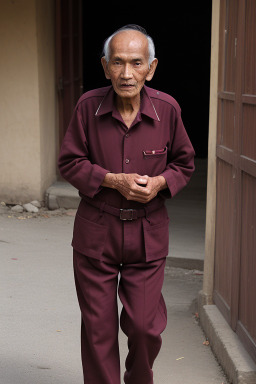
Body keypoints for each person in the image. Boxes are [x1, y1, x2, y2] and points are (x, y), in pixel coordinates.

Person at [58, 24, 195, 384]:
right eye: (117, 63)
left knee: (144, 328)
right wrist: (111, 179)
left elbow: (184, 163)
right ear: (105, 67)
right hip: (96, 231)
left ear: (151, 68)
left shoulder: (168, 110)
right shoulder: (88, 106)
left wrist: (162, 183)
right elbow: (69, 162)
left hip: (148, 232)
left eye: (136, 63)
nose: (126, 73)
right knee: (98, 330)